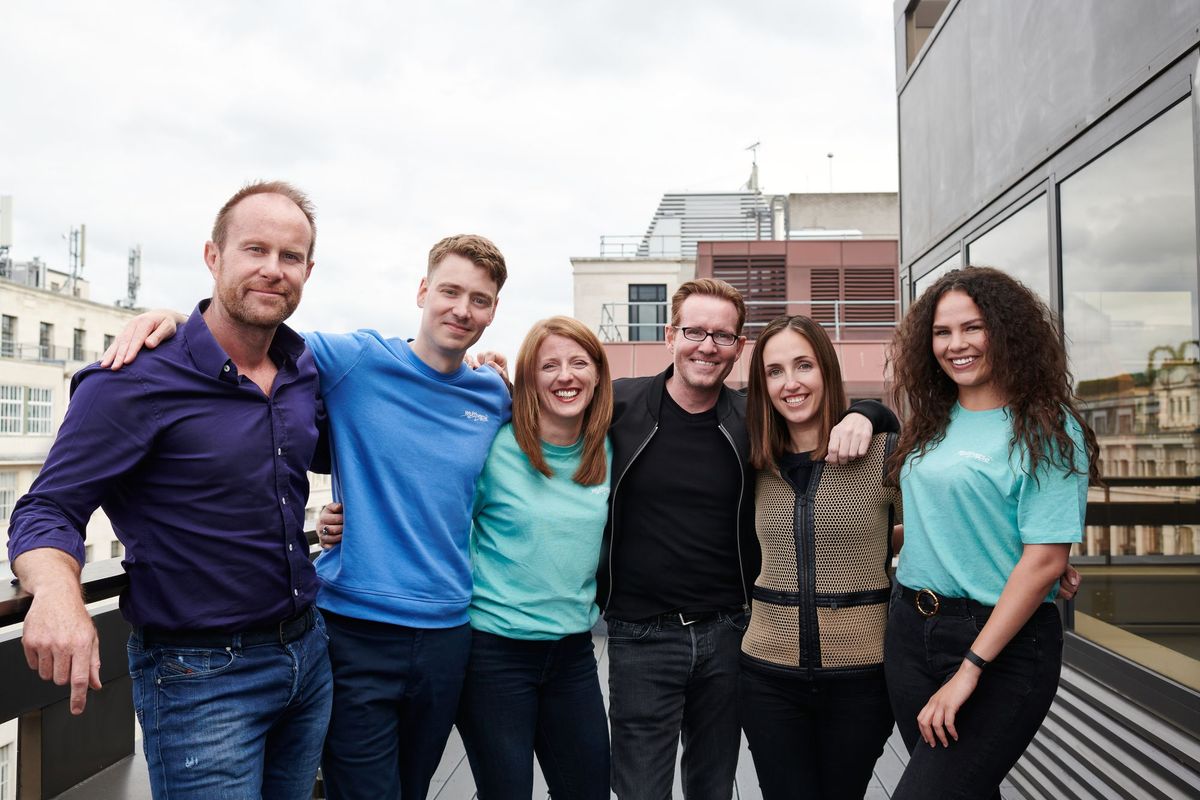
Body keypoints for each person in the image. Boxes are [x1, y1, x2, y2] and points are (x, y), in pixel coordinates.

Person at [102, 234, 513, 799]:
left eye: (480, 299)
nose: (462, 310)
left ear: (494, 311)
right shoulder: (357, 360)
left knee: (412, 790)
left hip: (449, 633)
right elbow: (244, 332)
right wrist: (172, 317)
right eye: (449, 291)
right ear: (422, 291)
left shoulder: (493, 395)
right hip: (354, 628)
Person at [7, 181, 332, 799]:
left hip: (308, 656)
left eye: (290, 257)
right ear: (214, 257)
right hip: (201, 677)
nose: (272, 269)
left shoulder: (300, 368)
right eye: (254, 250)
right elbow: (46, 507)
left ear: (308, 271)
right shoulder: (132, 382)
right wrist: (56, 591)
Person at [600, 278, 895, 799]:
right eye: (695, 331)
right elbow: (545, 408)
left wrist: (867, 411)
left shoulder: (752, 426)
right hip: (641, 636)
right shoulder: (619, 406)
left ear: (737, 349)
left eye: (723, 336)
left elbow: (870, 446)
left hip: (731, 634)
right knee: (641, 790)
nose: (707, 345)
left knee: (713, 788)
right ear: (670, 335)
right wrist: (489, 377)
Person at [323, 315, 613, 798]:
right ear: (527, 380)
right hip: (494, 652)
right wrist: (352, 518)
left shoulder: (608, 447)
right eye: (549, 365)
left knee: (589, 788)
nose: (566, 376)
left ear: (598, 373)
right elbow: (430, 501)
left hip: (573, 652)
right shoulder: (497, 445)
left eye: (579, 362)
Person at [883, 266, 1097, 799]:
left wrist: (971, 668)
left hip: (999, 645)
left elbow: (1045, 559)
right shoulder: (934, 419)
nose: (956, 345)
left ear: (1004, 330)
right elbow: (943, 518)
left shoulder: (1045, 425)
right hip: (910, 628)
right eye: (942, 332)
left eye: (972, 328)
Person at [738, 314, 901, 799]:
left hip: (862, 676)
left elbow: (941, 527)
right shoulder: (752, 460)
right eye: (774, 371)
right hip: (768, 673)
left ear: (826, 370)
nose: (790, 383)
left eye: (803, 365)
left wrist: (1040, 557)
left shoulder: (883, 453)